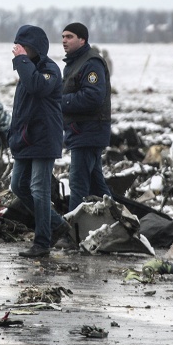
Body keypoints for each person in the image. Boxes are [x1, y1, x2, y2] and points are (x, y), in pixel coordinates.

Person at [8, 25, 71, 258]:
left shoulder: (49, 70)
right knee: (18, 186)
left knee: (38, 189)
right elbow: (20, 109)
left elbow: (38, 86)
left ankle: (42, 242)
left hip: (44, 139)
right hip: (25, 139)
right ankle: (56, 224)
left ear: (35, 48)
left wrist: (22, 62)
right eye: (18, 46)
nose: (18, 50)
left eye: (23, 46)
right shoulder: (27, 71)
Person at [60, 23, 113, 213]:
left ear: (82, 39)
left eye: (70, 37)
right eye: (63, 36)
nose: (64, 40)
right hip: (80, 131)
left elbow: (93, 97)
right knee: (96, 185)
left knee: (78, 183)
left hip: (89, 130)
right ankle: (116, 222)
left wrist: (60, 101)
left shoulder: (91, 63)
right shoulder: (75, 62)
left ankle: (74, 231)